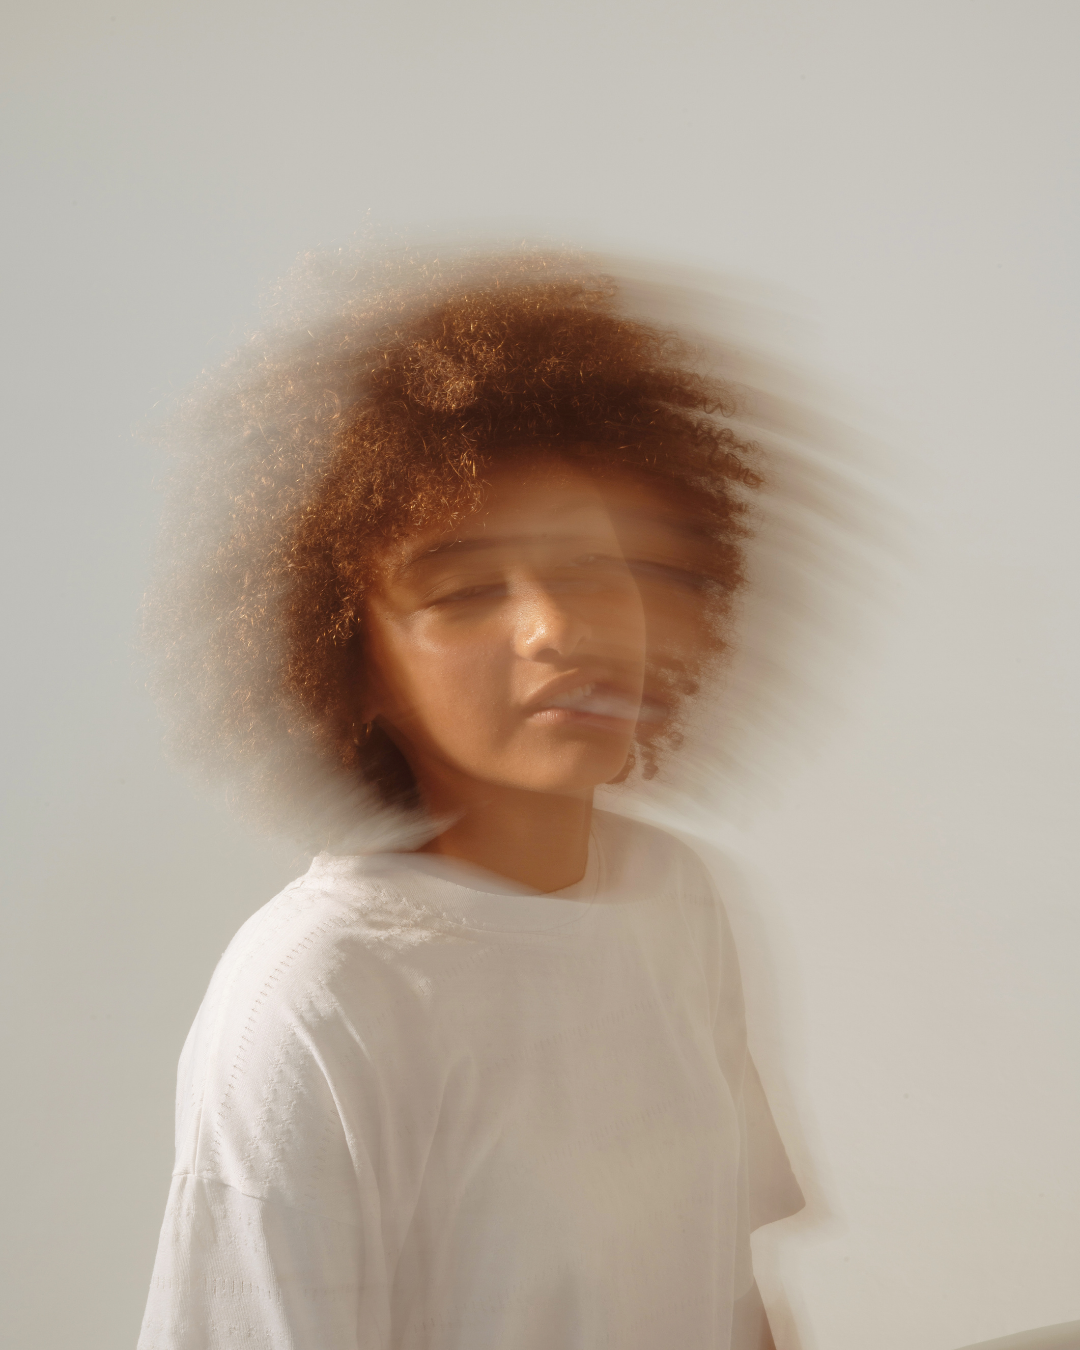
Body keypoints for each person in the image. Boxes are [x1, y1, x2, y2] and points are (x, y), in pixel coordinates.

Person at [138, 252, 804, 1350]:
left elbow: (729, 1302)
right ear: (360, 664)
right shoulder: (315, 1001)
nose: (555, 629)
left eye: (590, 567)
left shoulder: (675, 899)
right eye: (465, 589)